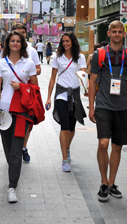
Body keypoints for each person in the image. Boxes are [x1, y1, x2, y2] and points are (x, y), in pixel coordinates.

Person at [88, 20, 127, 202]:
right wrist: (91, 106)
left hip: (122, 107)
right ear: (109, 34)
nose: (117, 34)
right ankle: (103, 182)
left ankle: (112, 182)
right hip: (104, 106)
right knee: (103, 143)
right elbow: (92, 81)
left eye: (120, 31)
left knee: (117, 147)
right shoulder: (99, 55)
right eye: (114, 31)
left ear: (124, 34)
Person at [0, 31, 38, 203]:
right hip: (4, 110)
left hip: (22, 111)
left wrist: (22, 87)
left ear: (22, 44)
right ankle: (13, 170)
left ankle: (12, 186)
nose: (15, 43)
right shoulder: (0, 63)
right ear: (7, 43)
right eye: (12, 41)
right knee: (8, 147)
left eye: (18, 41)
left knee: (16, 149)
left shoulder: (29, 63)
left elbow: (35, 88)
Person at [45, 32, 87, 172]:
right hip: (61, 95)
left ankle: (67, 147)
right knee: (64, 125)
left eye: (67, 41)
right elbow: (52, 78)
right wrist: (49, 97)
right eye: (63, 41)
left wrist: (86, 87)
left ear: (72, 42)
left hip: (74, 95)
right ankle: (64, 159)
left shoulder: (80, 57)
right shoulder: (57, 57)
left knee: (72, 127)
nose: (65, 44)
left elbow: (83, 74)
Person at [7, 23, 41, 162]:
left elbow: (38, 69)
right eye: (17, 32)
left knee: (26, 122)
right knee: (10, 124)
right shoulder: (7, 50)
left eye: (23, 32)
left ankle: (23, 147)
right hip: (9, 92)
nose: (21, 35)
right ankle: (13, 150)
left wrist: (28, 72)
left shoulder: (31, 51)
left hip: (26, 92)